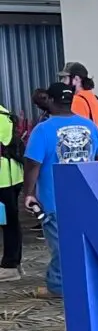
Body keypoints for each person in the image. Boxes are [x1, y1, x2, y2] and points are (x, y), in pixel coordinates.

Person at [21, 83, 98, 299]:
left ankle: (57, 286)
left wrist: (28, 193)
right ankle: (86, 281)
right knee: (83, 243)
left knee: (61, 246)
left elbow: (33, 165)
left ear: (50, 100)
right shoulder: (89, 126)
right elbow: (97, 158)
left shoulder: (43, 130)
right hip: (85, 198)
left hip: (54, 200)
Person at [59, 62, 98, 161]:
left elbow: (77, 133)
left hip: (90, 159)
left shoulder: (77, 101)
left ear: (76, 79)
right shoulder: (92, 97)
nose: (62, 82)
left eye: (65, 78)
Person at [0, 100, 22, 280]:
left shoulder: (1, 117)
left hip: (4, 179)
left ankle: (10, 264)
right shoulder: (4, 113)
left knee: (8, 222)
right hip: (10, 176)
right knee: (8, 222)